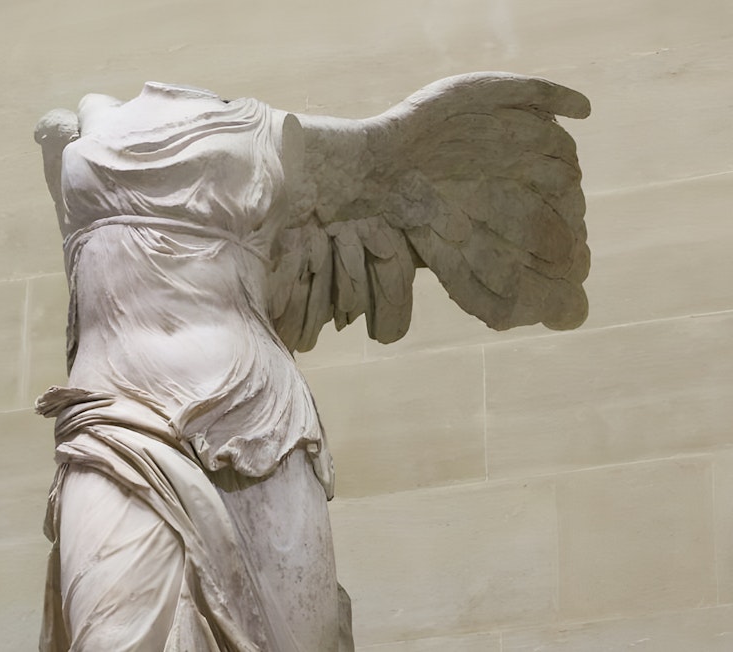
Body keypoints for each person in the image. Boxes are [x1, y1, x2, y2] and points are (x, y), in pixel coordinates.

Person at [34, 75, 590, 652]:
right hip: (113, 418)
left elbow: (411, 160)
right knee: (114, 636)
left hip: (254, 423)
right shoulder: (83, 128)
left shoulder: (273, 137)